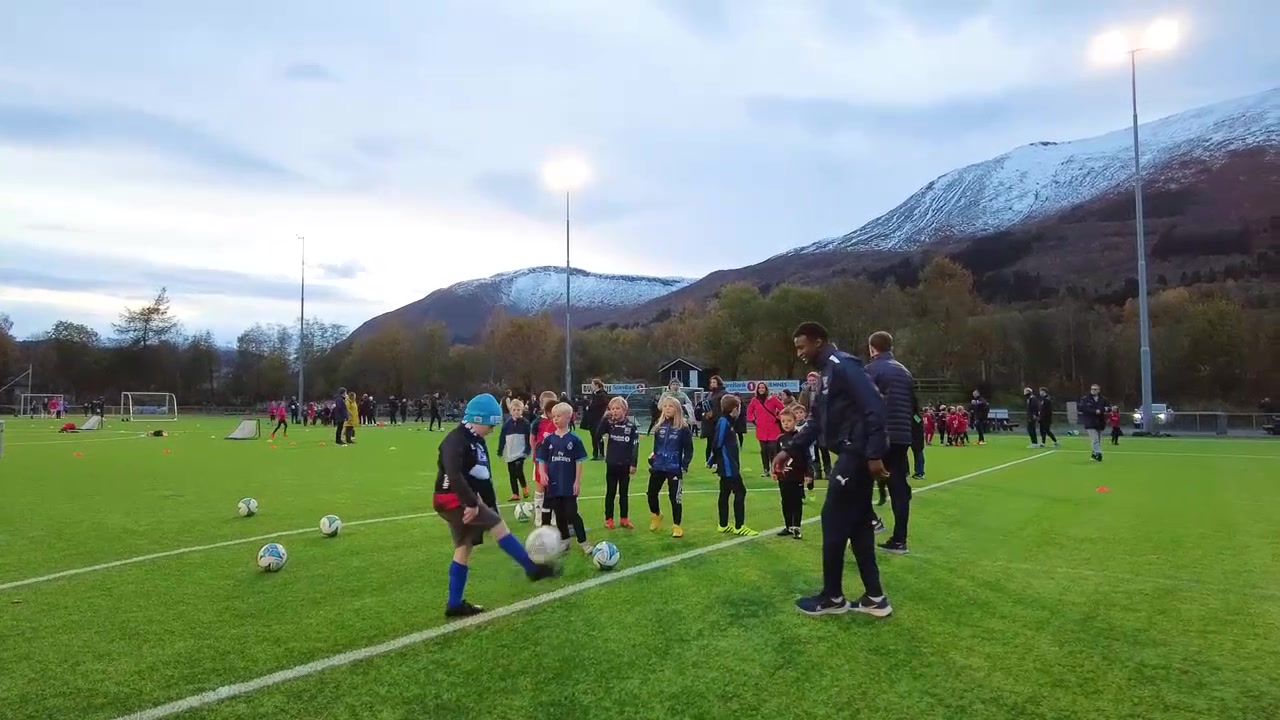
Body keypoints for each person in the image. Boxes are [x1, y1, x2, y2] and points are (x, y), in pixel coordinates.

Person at [773, 321, 892, 618]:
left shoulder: (843, 366)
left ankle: (832, 597)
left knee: (833, 517)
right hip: (852, 453)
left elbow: (875, 405)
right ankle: (875, 597)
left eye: (802, 346)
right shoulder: (825, 374)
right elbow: (816, 422)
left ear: (819, 341)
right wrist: (789, 449)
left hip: (856, 453)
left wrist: (875, 452)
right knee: (858, 524)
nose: (799, 353)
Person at [433, 393, 560, 617]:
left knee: (464, 545)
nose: (492, 430)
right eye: (490, 425)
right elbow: (454, 475)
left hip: (460, 498)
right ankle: (532, 569)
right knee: (498, 526)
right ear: (479, 420)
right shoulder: (455, 440)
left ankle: (454, 604)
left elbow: (485, 479)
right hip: (451, 498)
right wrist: (472, 503)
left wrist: (491, 505)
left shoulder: (477, 441)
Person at [865, 331, 915, 556]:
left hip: (879, 435)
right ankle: (900, 539)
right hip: (902, 436)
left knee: (857, 480)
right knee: (899, 486)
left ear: (872, 348)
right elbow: (912, 406)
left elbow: (864, 403)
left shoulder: (872, 370)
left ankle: (873, 521)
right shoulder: (905, 372)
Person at [535, 402, 593, 557]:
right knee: (559, 514)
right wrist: (542, 473)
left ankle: (583, 542)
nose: (555, 419)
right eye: (553, 416)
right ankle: (565, 540)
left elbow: (579, 461)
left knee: (572, 513)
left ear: (569, 417)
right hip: (553, 485)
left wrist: (577, 481)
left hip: (568, 484)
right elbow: (541, 458)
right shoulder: (549, 440)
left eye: (559, 416)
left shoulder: (574, 439)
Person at [709, 394, 757, 536]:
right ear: (734, 408)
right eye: (739, 407)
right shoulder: (724, 422)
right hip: (728, 465)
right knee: (740, 491)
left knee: (725, 493)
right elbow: (717, 442)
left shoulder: (728, 422)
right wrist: (714, 460)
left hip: (728, 464)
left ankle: (723, 524)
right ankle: (739, 526)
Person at [647, 396, 694, 538]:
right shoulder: (659, 426)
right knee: (651, 494)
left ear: (677, 409)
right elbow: (656, 447)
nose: (667, 408)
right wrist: (653, 458)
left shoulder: (683, 428)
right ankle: (656, 515)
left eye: (671, 406)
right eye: (665, 406)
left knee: (675, 498)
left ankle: (677, 526)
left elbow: (689, 449)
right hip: (658, 466)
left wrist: (684, 465)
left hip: (674, 467)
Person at [599, 396, 639, 530]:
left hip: (625, 464)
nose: (615, 411)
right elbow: (597, 434)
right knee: (610, 492)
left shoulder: (631, 427)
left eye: (618, 408)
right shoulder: (609, 424)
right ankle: (608, 518)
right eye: (612, 409)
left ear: (625, 410)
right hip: (611, 463)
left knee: (624, 493)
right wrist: (604, 419)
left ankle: (624, 518)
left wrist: (634, 463)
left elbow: (635, 446)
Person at [774, 407, 808, 538]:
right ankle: (788, 526)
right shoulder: (780, 439)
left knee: (796, 501)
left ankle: (797, 527)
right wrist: (776, 471)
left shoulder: (800, 438)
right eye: (783, 421)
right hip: (784, 477)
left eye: (789, 421)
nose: (786, 424)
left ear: (795, 421)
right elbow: (776, 457)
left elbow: (807, 457)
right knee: (785, 501)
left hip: (797, 476)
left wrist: (808, 473)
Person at [746, 383, 785, 478]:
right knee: (764, 451)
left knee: (773, 450)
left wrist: (778, 417)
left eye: (763, 387)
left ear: (766, 389)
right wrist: (753, 420)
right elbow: (749, 411)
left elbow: (783, 409)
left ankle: (775, 469)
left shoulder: (773, 399)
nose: (761, 389)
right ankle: (766, 470)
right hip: (761, 429)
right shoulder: (754, 400)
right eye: (759, 387)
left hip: (773, 429)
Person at [498, 399, 532, 501]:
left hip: (521, 452)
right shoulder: (506, 425)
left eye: (518, 410)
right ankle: (515, 493)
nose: (516, 412)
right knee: (512, 473)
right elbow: (502, 438)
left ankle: (525, 488)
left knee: (518, 470)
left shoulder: (525, 424)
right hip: (510, 452)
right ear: (510, 411)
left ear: (522, 411)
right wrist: (500, 450)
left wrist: (527, 450)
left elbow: (529, 438)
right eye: (514, 410)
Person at [700, 376, 727, 469]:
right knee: (709, 442)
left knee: (718, 443)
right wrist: (705, 413)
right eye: (711, 382)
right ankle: (708, 461)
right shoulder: (708, 394)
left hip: (719, 421)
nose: (712, 384)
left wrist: (716, 414)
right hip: (709, 422)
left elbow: (725, 407)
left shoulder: (723, 393)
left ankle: (716, 461)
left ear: (719, 383)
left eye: (714, 382)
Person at [1078, 384, 1109, 461]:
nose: (1093, 391)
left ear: (1099, 390)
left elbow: (1109, 408)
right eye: (1092, 389)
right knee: (1094, 439)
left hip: (1100, 422)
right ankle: (1099, 453)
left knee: (1098, 439)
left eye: (1095, 389)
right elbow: (1082, 408)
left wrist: (1103, 410)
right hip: (1090, 422)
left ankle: (1094, 454)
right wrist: (1094, 411)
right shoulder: (1086, 399)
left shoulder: (1103, 399)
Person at [584, 379, 610, 461]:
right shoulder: (594, 395)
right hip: (592, 419)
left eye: (592, 384)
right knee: (594, 436)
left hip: (598, 419)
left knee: (597, 436)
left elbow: (597, 405)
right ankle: (597, 454)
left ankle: (600, 454)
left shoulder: (602, 395)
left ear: (597, 385)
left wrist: (590, 406)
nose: (591, 386)